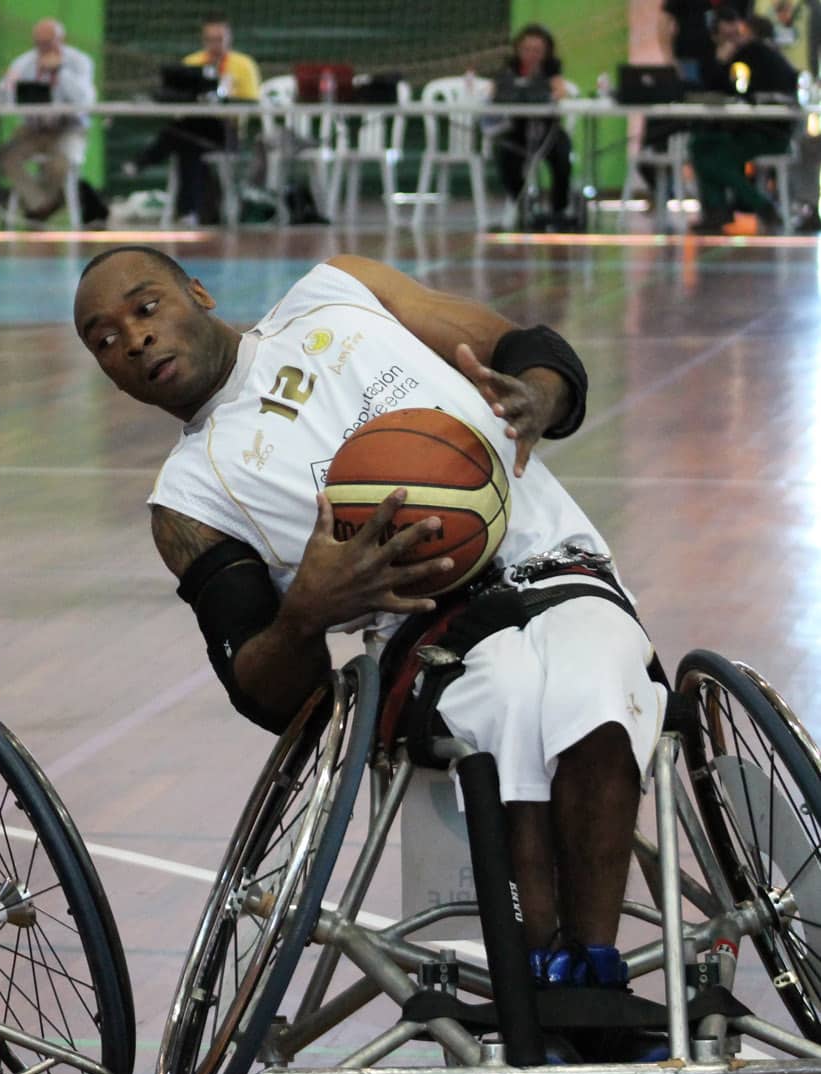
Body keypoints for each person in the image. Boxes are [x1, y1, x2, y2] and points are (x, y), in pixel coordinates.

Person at [74, 246, 666, 1016]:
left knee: (593, 684)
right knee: (511, 700)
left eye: (145, 308)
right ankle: (543, 979)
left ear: (198, 290)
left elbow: (522, 350)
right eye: (104, 339)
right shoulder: (188, 503)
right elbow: (262, 691)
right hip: (429, 632)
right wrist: (307, 612)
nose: (133, 339)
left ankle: (593, 966)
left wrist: (539, 397)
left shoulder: (337, 290)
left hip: (556, 564)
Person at [123, 14, 261, 226]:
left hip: (226, 132)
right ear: (203, 39)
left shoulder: (243, 65)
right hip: (194, 130)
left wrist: (225, 97)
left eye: (220, 39)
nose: (215, 44)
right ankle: (188, 215)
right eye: (210, 39)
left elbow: (252, 104)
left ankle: (144, 161)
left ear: (229, 38)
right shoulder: (191, 63)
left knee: (181, 135)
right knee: (189, 145)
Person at [690, 4, 798, 233]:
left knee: (713, 157)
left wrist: (723, 61)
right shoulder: (738, 54)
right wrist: (721, 61)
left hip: (768, 132)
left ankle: (760, 206)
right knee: (699, 145)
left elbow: (725, 88)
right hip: (752, 128)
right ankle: (718, 211)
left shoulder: (755, 53)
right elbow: (721, 89)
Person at [0, 19, 97, 222]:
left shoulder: (79, 62)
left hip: (69, 127)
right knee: (6, 158)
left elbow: (85, 100)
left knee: (63, 161)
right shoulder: (24, 63)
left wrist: (60, 71)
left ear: (61, 40)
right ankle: (42, 204)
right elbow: (2, 95)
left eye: (48, 42)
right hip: (34, 129)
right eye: (38, 43)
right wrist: (9, 85)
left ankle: (40, 207)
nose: (43, 48)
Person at [488, 24, 574, 231]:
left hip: (548, 131)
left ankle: (558, 211)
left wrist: (552, 92)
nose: (532, 54)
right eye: (527, 49)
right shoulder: (508, 69)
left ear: (546, 52)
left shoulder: (552, 68)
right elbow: (492, 92)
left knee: (562, 157)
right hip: (517, 131)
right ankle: (522, 205)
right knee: (505, 155)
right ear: (518, 49)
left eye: (537, 50)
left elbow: (561, 90)